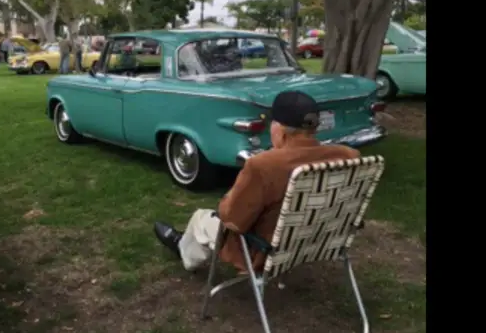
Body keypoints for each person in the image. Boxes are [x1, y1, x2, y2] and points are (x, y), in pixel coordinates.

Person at [154, 91, 361, 273]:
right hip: (322, 239)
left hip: (264, 250)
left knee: (202, 218)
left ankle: (184, 250)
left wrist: (228, 199)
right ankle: (184, 245)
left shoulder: (264, 165)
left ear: (279, 129)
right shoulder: (348, 156)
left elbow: (233, 219)